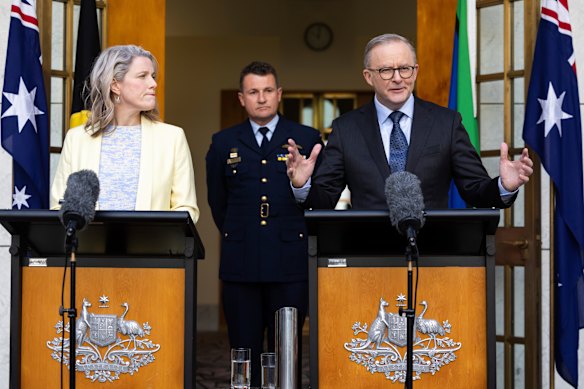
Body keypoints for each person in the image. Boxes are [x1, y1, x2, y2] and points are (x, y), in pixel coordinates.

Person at [286, 33, 533, 210]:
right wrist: (302, 185)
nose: (397, 78)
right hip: (368, 260)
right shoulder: (346, 128)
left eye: (405, 69)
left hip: (434, 255)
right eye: (386, 70)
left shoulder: (446, 123)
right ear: (368, 76)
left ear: (415, 71)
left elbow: (476, 191)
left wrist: (504, 186)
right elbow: (325, 200)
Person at [206, 61, 322, 387]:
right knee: (243, 350)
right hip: (240, 264)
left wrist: (301, 186)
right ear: (241, 98)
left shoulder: (305, 138)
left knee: (287, 352)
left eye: (268, 90)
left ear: (279, 94)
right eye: (253, 92)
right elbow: (218, 204)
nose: (262, 98)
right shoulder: (222, 142)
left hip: (290, 264)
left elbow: (320, 201)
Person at [50, 45, 199, 223]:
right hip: (88, 248)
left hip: (150, 247)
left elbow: (186, 208)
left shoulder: (172, 138)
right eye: (142, 76)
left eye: (152, 76)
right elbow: (59, 205)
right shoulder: (77, 139)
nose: (153, 84)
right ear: (115, 85)